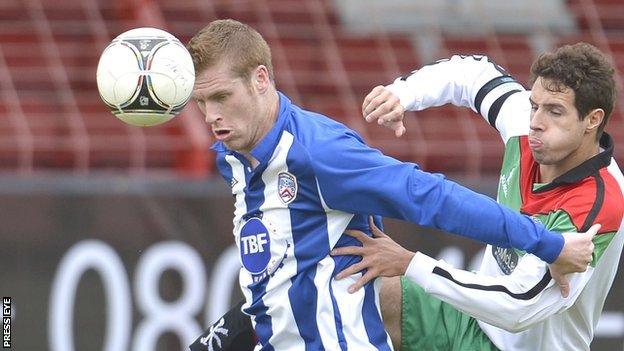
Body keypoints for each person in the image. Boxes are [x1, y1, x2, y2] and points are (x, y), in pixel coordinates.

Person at [186, 19, 597, 351]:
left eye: (222, 97)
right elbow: (282, 273)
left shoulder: (320, 156)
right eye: (201, 102)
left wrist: (548, 245)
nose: (210, 115)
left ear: (261, 80)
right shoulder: (234, 155)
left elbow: (432, 197)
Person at [331, 43, 624, 350]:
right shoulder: (529, 130)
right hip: (469, 317)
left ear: (592, 120)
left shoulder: (597, 202)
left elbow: (520, 306)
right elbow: (472, 74)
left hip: (514, 340)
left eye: (555, 111)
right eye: (534, 105)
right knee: (359, 291)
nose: (536, 121)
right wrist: (402, 94)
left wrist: (409, 262)